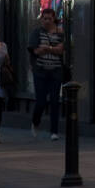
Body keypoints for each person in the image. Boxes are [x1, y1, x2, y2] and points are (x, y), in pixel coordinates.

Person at [28, 7, 65, 139]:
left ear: (54, 19)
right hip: (40, 71)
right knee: (41, 101)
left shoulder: (60, 33)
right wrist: (52, 49)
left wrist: (47, 48)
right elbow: (35, 51)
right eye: (44, 18)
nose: (47, 21)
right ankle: (35, 121)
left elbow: (61, 50)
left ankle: (54, 131)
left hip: (56, 71)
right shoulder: (37, 33)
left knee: (55, 101)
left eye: (49, 18)